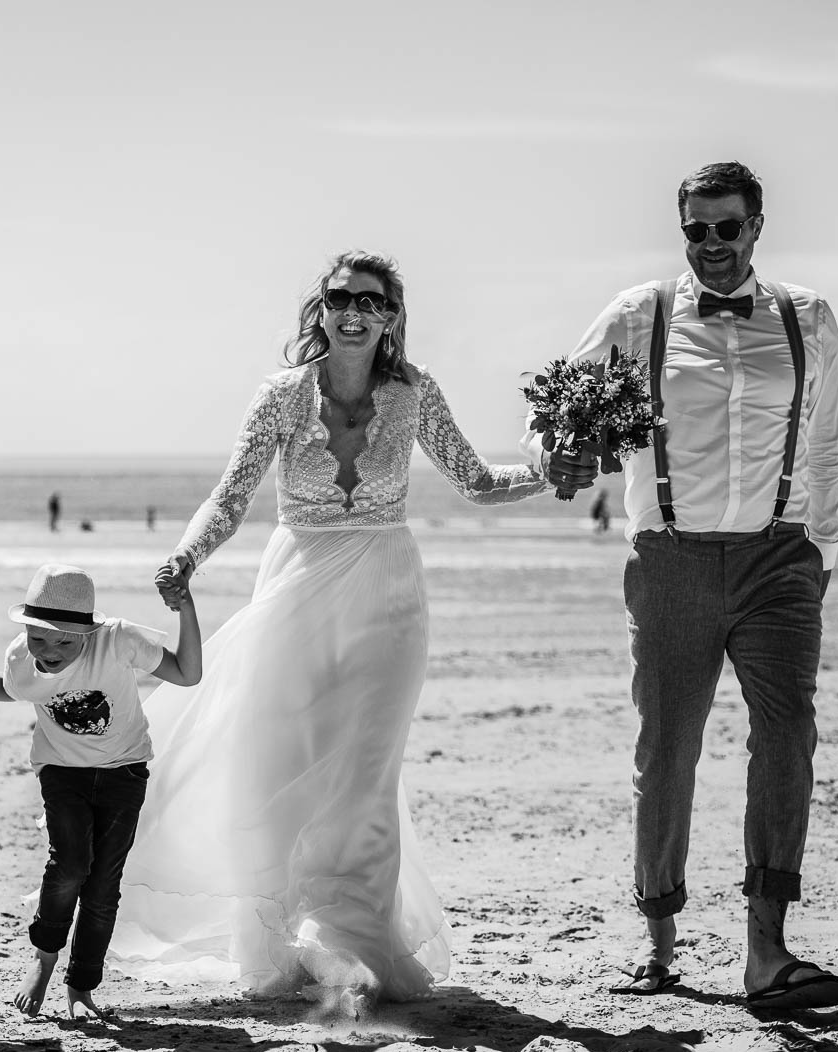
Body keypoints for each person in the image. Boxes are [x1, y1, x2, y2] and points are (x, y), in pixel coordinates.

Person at [118, 250, 553, 1007]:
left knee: (365, 776)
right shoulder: (282, 397)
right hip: (296, 587)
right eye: (341, 297)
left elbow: (477, 483)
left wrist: (553, 472)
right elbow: (229, 497)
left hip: (388, 596)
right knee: (277, 762)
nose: (355, 310)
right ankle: (276, 943)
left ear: (391, 319)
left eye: (372, 301)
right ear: (319, 309)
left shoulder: (416, 396)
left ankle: (357, 945)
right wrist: (186, 555)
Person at [545, 162, 838, 1010]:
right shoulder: (639, 314)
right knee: (667, 750)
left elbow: (825, 447)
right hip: (671, 558)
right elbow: (556, 422)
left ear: (757, 225)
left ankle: (767, 951)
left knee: (788, 738)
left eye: (727, 227)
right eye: (696, 230)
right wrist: (560, 456)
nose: (711, 245)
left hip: (778, 561)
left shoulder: (809, 317)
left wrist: (818, 551)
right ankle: (661, 937)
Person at [0, 563, 201, 1019]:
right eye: (40, 637)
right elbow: (9, 689)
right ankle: (43, 959)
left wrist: (186, 608)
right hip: (61, 772)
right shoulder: (21, 657)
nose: (50, 650)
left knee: (103, 887)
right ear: (26, 628)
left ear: (88, 631)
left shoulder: (118, 640)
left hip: (124, 773)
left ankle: (81, 988)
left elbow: (187, 673)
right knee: (69, 866)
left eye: (64, 640)